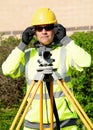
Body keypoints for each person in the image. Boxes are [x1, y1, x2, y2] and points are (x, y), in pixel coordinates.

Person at [2, 8, 91, 130]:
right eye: (39, 28)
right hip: (33, 125)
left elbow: (86, 62)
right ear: (34, 32)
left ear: (55, 29)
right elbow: (7, 69)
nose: (44, 32)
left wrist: (66, 40)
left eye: (48, 27)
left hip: (65, 124)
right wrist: (22, 45)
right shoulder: (27, 55)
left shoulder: (65, 52)